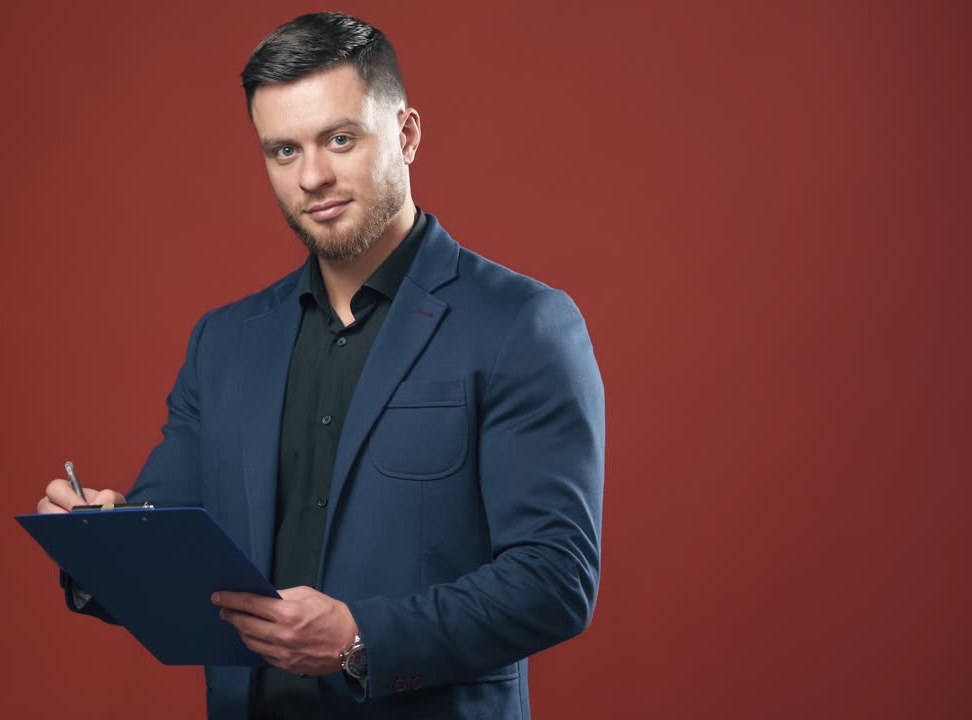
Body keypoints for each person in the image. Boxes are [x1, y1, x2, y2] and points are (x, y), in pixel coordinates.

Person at [36, 11, 604, 720]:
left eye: (340, 139)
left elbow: (556, 579)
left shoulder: (521, 325)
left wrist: (360, 638)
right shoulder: (225, 343)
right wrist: (102, 540)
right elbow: (171, 544)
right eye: (282, 151)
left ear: (406, 133)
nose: (312, 176)